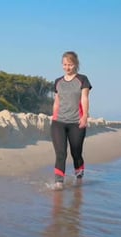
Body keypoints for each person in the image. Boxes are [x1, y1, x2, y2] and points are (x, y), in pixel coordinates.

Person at [51, 51, 92, 190]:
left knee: (76, 152)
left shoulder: (82, 79)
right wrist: (54, 116)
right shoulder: (58, 82)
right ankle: (58, 183)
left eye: (70, 64)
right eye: (64, 64)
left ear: (75, 64)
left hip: (76, 121)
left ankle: (79, 177)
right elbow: (57, 101)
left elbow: (84, 98)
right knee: (61, 153)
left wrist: (85, 116)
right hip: (59, 122)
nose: (67, 67)